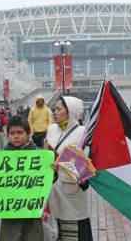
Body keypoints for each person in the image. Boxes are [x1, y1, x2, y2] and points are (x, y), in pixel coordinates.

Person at [45, 96, 92, 241]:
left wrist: (62, 160)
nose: (55, 112)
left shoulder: (83, 132)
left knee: (73, 234)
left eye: (59, 109)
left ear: (70, 111)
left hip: (72, 192)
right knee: (55, 233)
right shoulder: (51, 129)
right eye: (55, 108)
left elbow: (86, 169)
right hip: (52, 191)